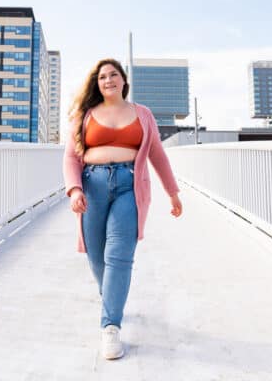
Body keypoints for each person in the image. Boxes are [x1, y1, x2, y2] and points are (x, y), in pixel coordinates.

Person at [63, 58, 183, 360]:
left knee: (119, 255)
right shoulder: (84, 115)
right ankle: (111, 299)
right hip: (92, 186)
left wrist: (173, 193)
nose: (108, 80)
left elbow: (157, 154)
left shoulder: (142, 114)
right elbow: (70, 158)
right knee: (96, 254)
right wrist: (74, 188)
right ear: (97, 83)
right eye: (102, 77)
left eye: (113, 74)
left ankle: (110, 326)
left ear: (123, 79)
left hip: (130, 187)